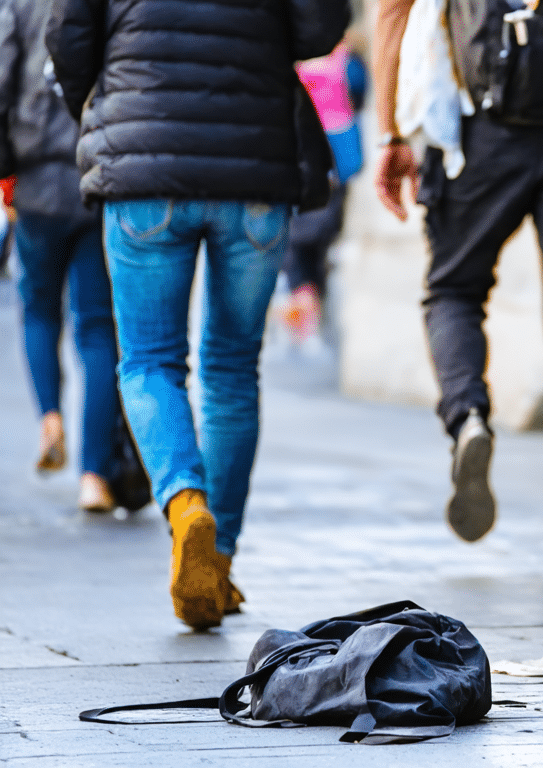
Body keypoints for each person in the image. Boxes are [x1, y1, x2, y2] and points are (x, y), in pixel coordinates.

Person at [46, 0, 349, 630]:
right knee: (233, 370)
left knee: (151, 360)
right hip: (256, 164)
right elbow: (321, 27)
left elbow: (67, 38)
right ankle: (222, 559)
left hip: (143, 160)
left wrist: (107, 108)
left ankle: (187, 507)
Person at [372, 0, 543, 571]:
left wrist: (392, 132)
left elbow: (391, 17)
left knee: (454, 291)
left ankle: (468, 416)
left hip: (482, 136)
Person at [0, 0, 118, 512]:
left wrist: (7, 174)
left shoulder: (17, 6)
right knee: (97, 327)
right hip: (97, 177)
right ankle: (94, 476)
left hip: (36, 182)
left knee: (40, 310)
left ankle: (50, 417)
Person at [282, 36, 367, 341]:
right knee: (317, 238)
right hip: (336, 156)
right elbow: (360, 91)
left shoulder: (292, 58)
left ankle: (305, 298)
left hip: (304, 156)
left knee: (299, 239)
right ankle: (309, 298)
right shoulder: (346, 59)